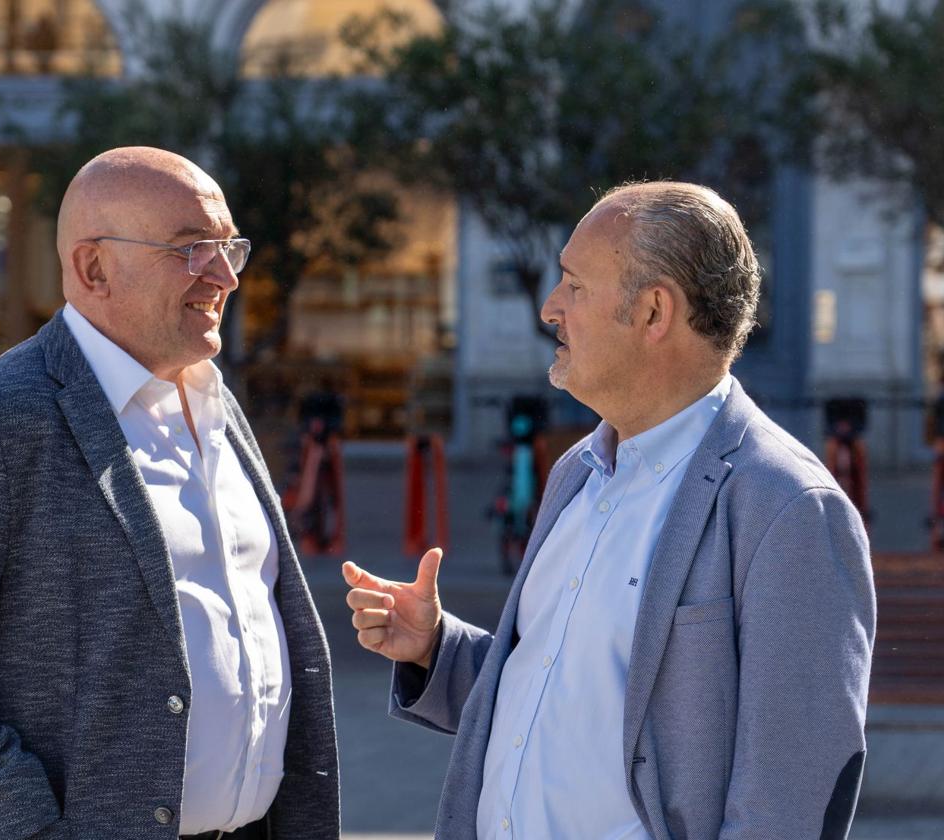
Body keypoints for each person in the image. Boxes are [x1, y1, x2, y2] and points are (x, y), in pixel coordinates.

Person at [343, 182, 874, 839]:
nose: (549, 308)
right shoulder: (577, 472)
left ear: (654, 312)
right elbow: (563, 693)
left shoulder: (785, 507)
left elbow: (789, 803)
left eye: (574, 285)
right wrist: (436, 647)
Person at [0, 147, 339, 840]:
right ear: (93, 268)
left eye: (229, 247)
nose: (225, 275)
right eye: (192, 249)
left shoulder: (211, 398)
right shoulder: (1, 422)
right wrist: (23, 824)